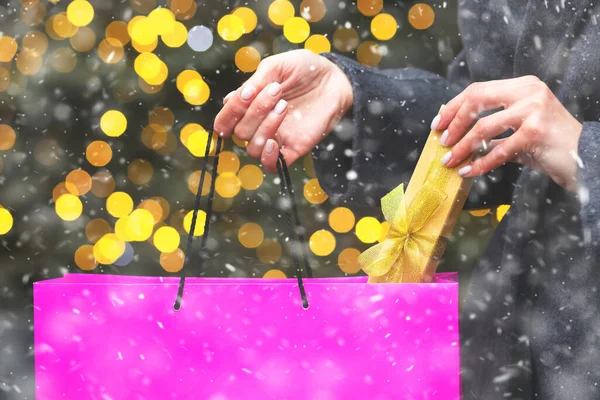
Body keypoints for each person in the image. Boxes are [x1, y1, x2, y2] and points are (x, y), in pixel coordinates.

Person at [214, 1, 600, 399]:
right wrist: (355, 96)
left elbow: (550, 132)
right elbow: (485, 121)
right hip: (518, 343)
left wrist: (585, 152)